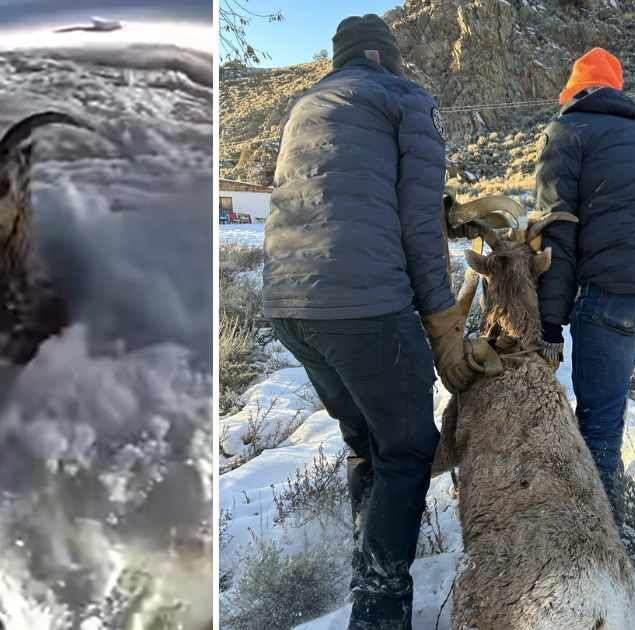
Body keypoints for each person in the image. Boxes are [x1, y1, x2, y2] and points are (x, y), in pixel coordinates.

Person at [262, 13, 473, 629]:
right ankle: (379, 609)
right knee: (408, 449)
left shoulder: (306, 105)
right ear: (384, 57)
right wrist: (441, 320)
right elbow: (416, 226)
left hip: (288, 305)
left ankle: (367, 560)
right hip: (363, 305)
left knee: (365, 442)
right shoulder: (404, 98)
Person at [534, 48, 635, 519]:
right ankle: (601, 517)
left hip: (616, 293)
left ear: (573, 93)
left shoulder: (568, 132)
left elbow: (558, 231)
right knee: (606, 403)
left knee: (599, 429)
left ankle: (604, 549)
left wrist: (549, 322)